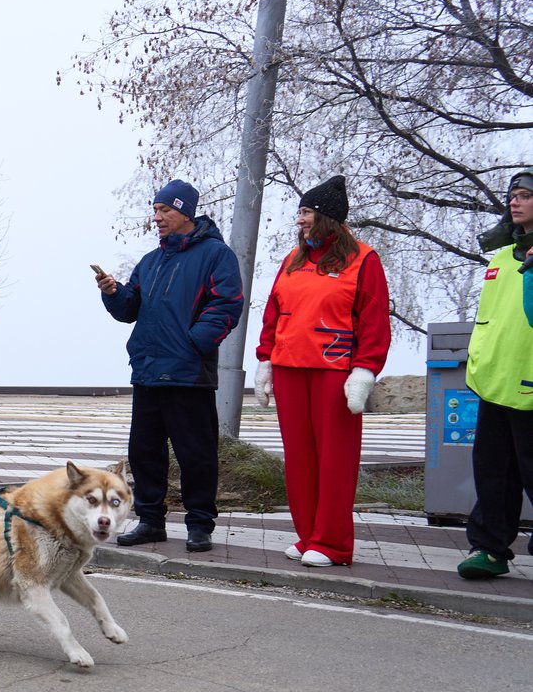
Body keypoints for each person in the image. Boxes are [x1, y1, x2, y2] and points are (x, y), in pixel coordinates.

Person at [97, 179, 244, 552]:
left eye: (165, 210)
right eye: (156, 210)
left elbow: (227, 305)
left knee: (196, 452)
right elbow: (131, 309)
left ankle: (199, 525)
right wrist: (114, 293)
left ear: (185, 213)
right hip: (148, 370)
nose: (157, 217)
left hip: (188, 374)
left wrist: (194, 343)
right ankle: (150, 521)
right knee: (144, 452)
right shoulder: (151, 261)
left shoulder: (215, 255)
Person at [255, 176, 390, 567]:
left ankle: (332, 543)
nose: (300, 220)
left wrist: (365, 370)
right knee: (299, 458)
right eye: (299, 212)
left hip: (334, 372)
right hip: (289, 367)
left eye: (306, 212)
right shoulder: (292, 261)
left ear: (328, 218)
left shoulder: (363, 259)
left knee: (334, 460)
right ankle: (309, 534)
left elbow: (374, 320)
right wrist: (265, 360)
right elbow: (273, 312)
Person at [457, 171, 533, 580]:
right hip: (495, 382)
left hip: (531, 385)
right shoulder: (502, 258)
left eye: (525, 196)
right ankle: (489, 548)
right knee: (493, 472)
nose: (515, 203)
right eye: (513, 196)